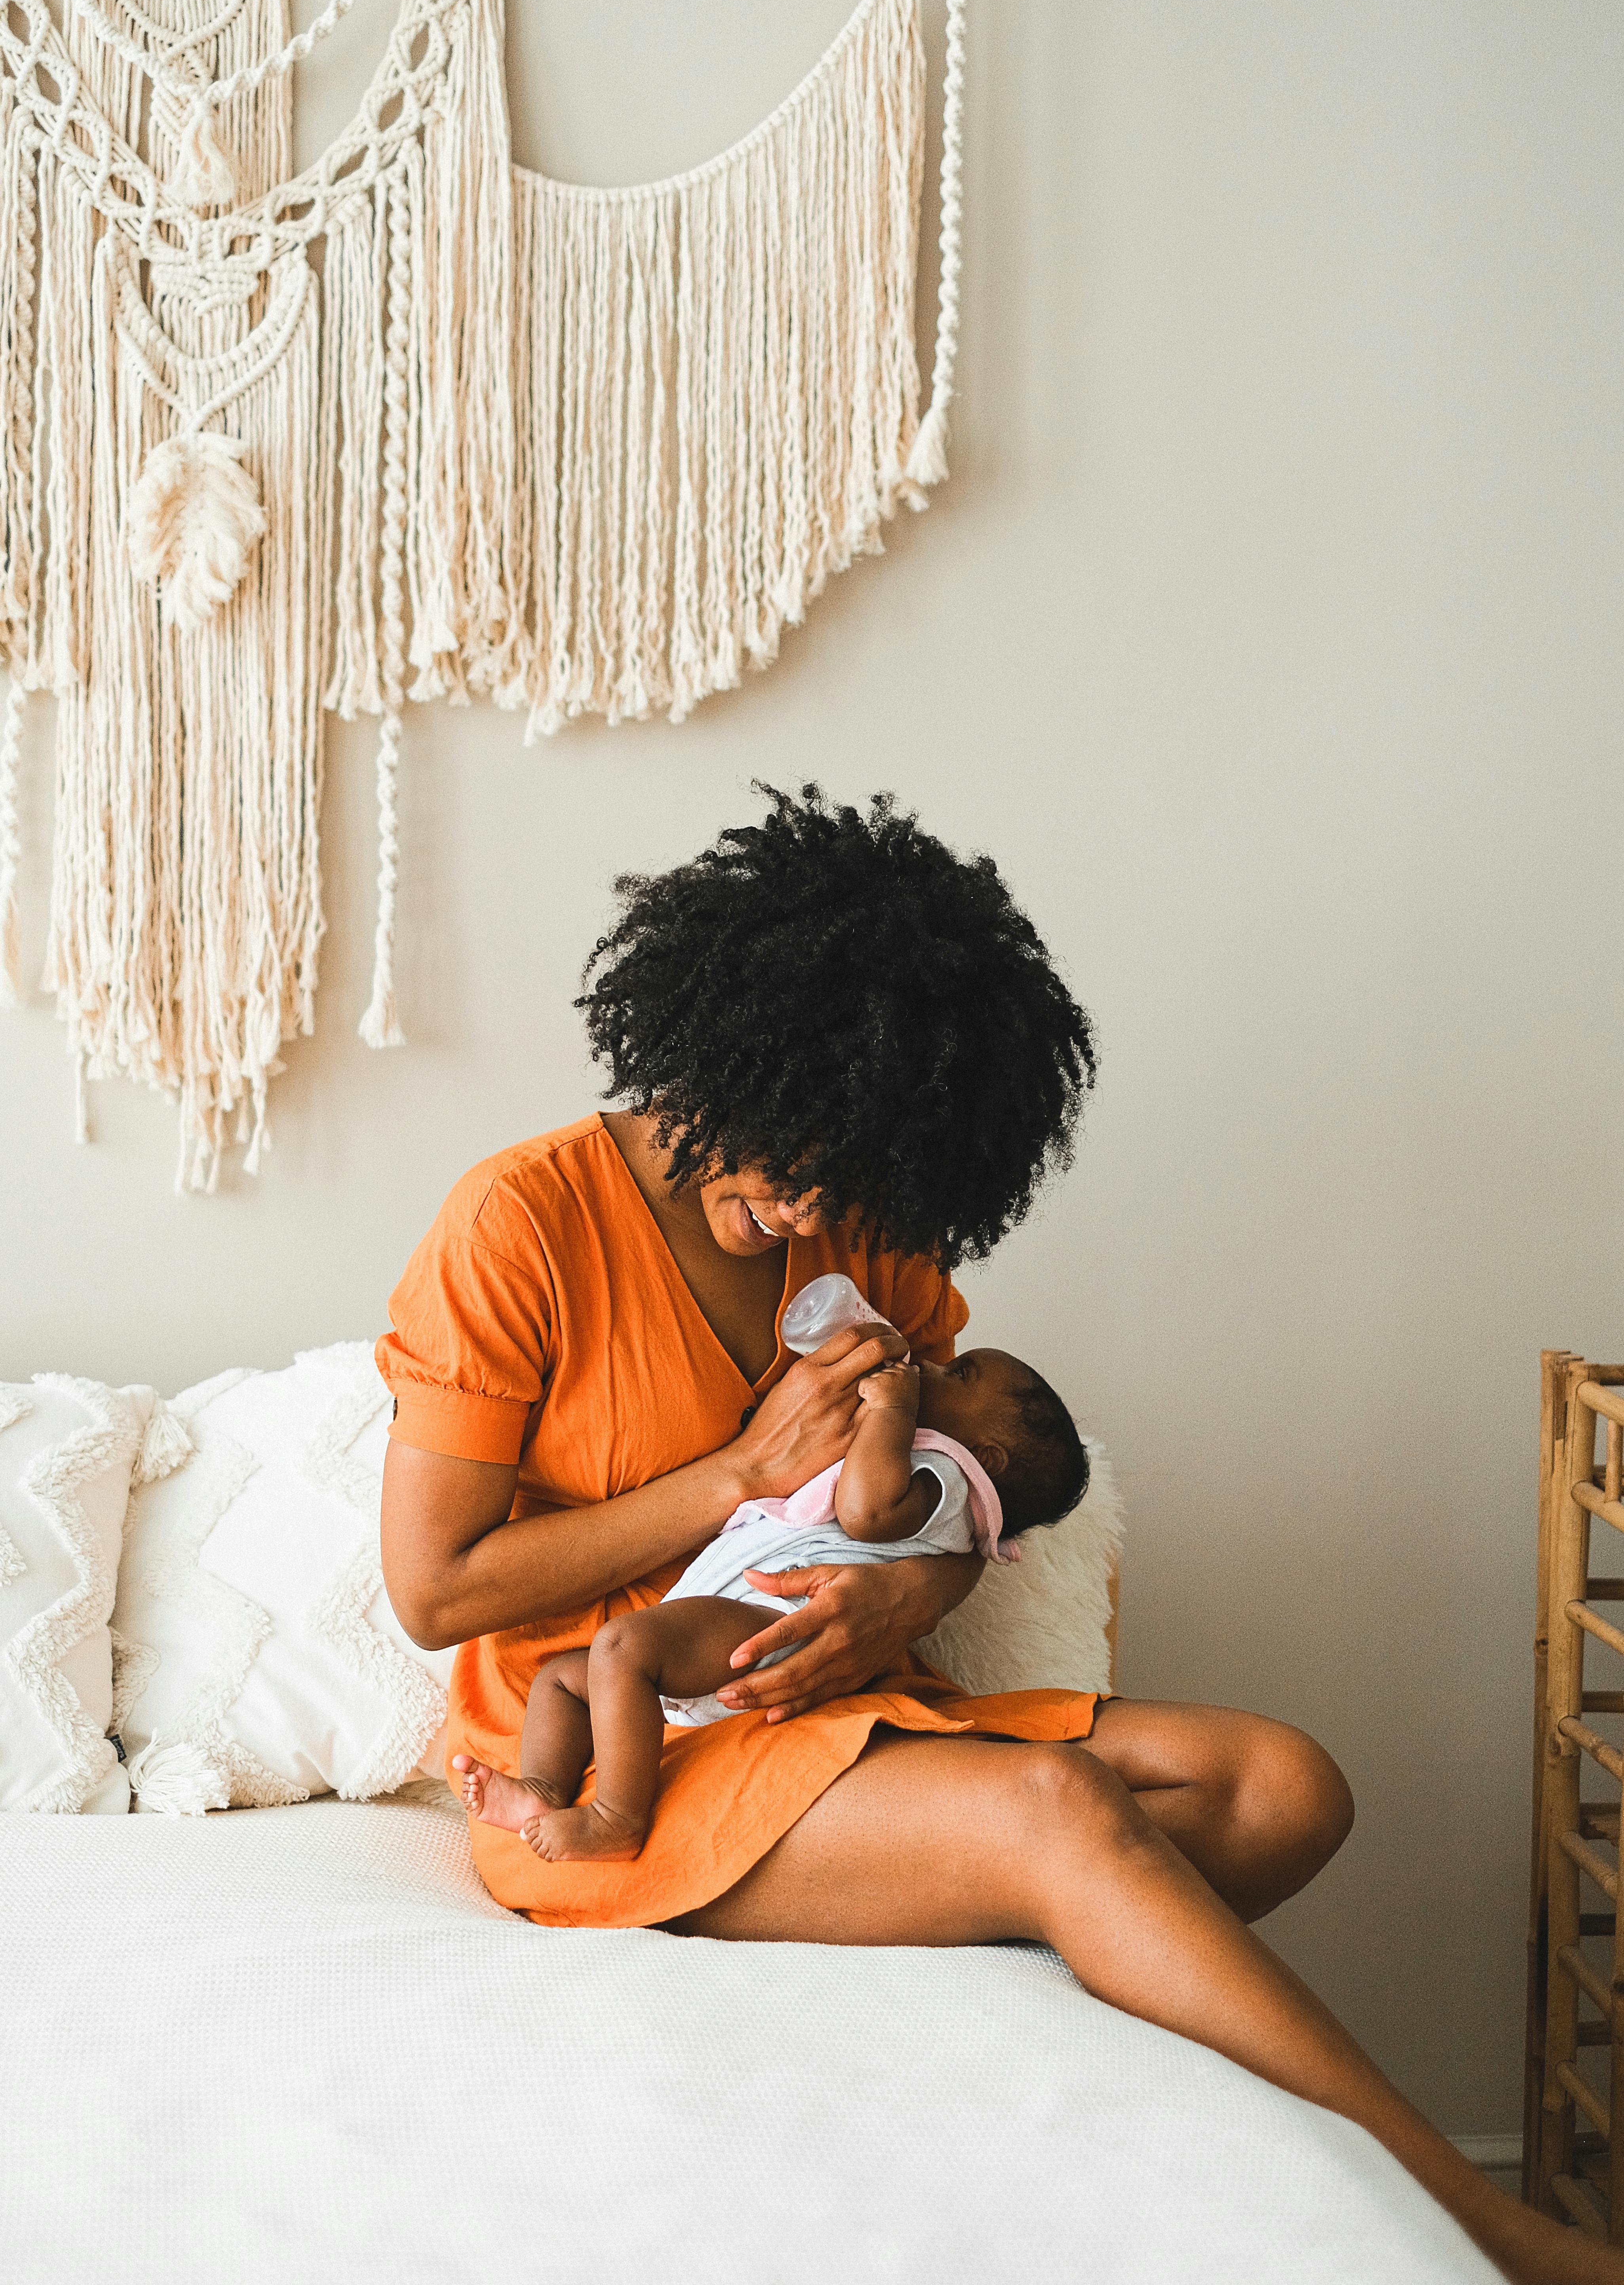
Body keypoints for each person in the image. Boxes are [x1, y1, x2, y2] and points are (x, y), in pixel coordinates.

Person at [379, 786, 1614, 2283]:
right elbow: (435, 1591)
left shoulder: (865, 1219)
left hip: (835, 1703)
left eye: (856, 1178)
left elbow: (954, 1491)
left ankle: (1027, 1928)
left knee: (1287, 1789)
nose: (813, 1206)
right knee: (1063, 1819)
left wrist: (916, 1593)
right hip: (618, 1741)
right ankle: (1488, 2232)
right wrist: (727, 1478)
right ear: (723, 1047)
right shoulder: (517, 1225)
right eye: (793, 1154)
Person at [456, 1344, 1089, 1860]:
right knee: (564, 1680)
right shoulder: (922, 1463)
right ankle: (543, 1787)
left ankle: (617, 1817)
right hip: (731, 1622)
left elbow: (866, 1513)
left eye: (960, 1375)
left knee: (623, 1648)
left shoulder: (948, 1477)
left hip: (779, 1628)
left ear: (987, 1458)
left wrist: (891, 1409)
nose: (930, 1365)